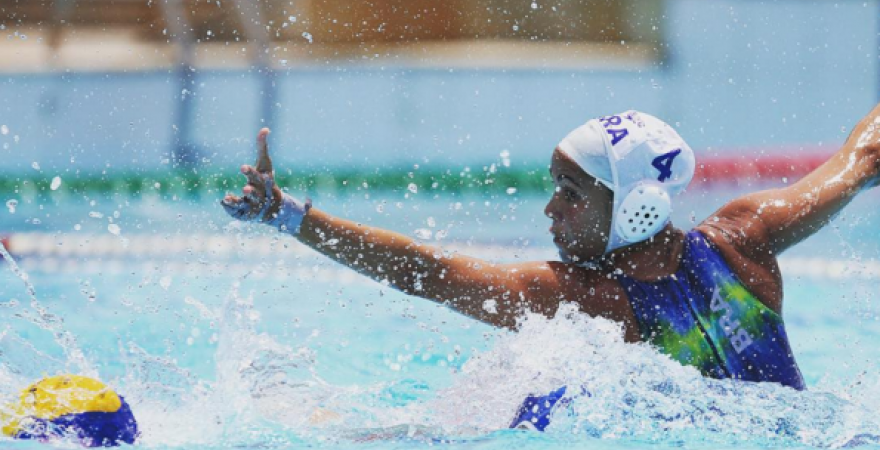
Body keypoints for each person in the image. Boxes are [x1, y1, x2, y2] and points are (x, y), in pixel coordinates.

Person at [221, 105, 880, 431]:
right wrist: (293, 218)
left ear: (636, 206)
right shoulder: (744, 240)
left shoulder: (590, 298)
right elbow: (861, 159)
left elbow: (430, 273)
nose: (550, 210)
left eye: (571, 192)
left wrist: (289, 218)